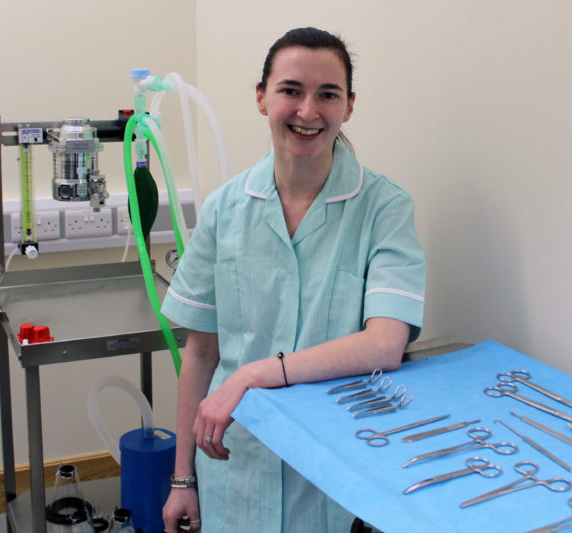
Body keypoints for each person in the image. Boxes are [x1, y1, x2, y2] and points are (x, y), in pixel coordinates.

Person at [160, 27, 426, 533]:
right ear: (262, 98)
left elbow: (385, 344)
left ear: (348, 106)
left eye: (328, 94)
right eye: (291, 91)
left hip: (333, 476)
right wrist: (181, 481)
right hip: (234, 467)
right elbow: (200, 353)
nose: (308, 111)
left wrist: (253, 374)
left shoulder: (385, 209)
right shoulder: (224, 209)